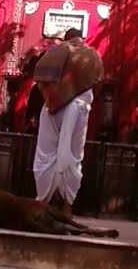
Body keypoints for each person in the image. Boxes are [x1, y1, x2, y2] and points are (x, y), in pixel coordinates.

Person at [32, 27, 103, 220]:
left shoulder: (55, 51)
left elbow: (39, 77)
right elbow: (98, 84)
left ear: (66, 38)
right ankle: (67, 205)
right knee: (72, 155)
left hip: (52, 107)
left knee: (45, 154)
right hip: (78, 108)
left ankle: (42, 202)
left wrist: (54, 96)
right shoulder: (92, 55)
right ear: (82, 38)